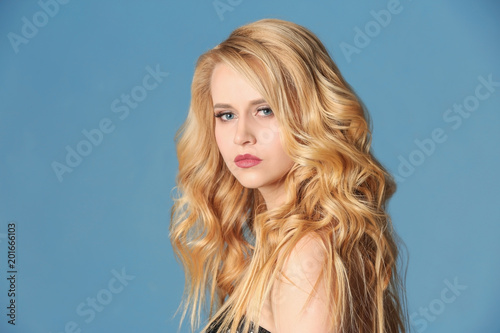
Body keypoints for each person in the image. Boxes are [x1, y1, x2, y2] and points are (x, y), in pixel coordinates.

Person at [170, 18, 407, 333]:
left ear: (311, 116)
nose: (242, 135)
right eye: (226, 115)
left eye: (265, 110)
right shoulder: (284, 245)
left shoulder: (306, 256)